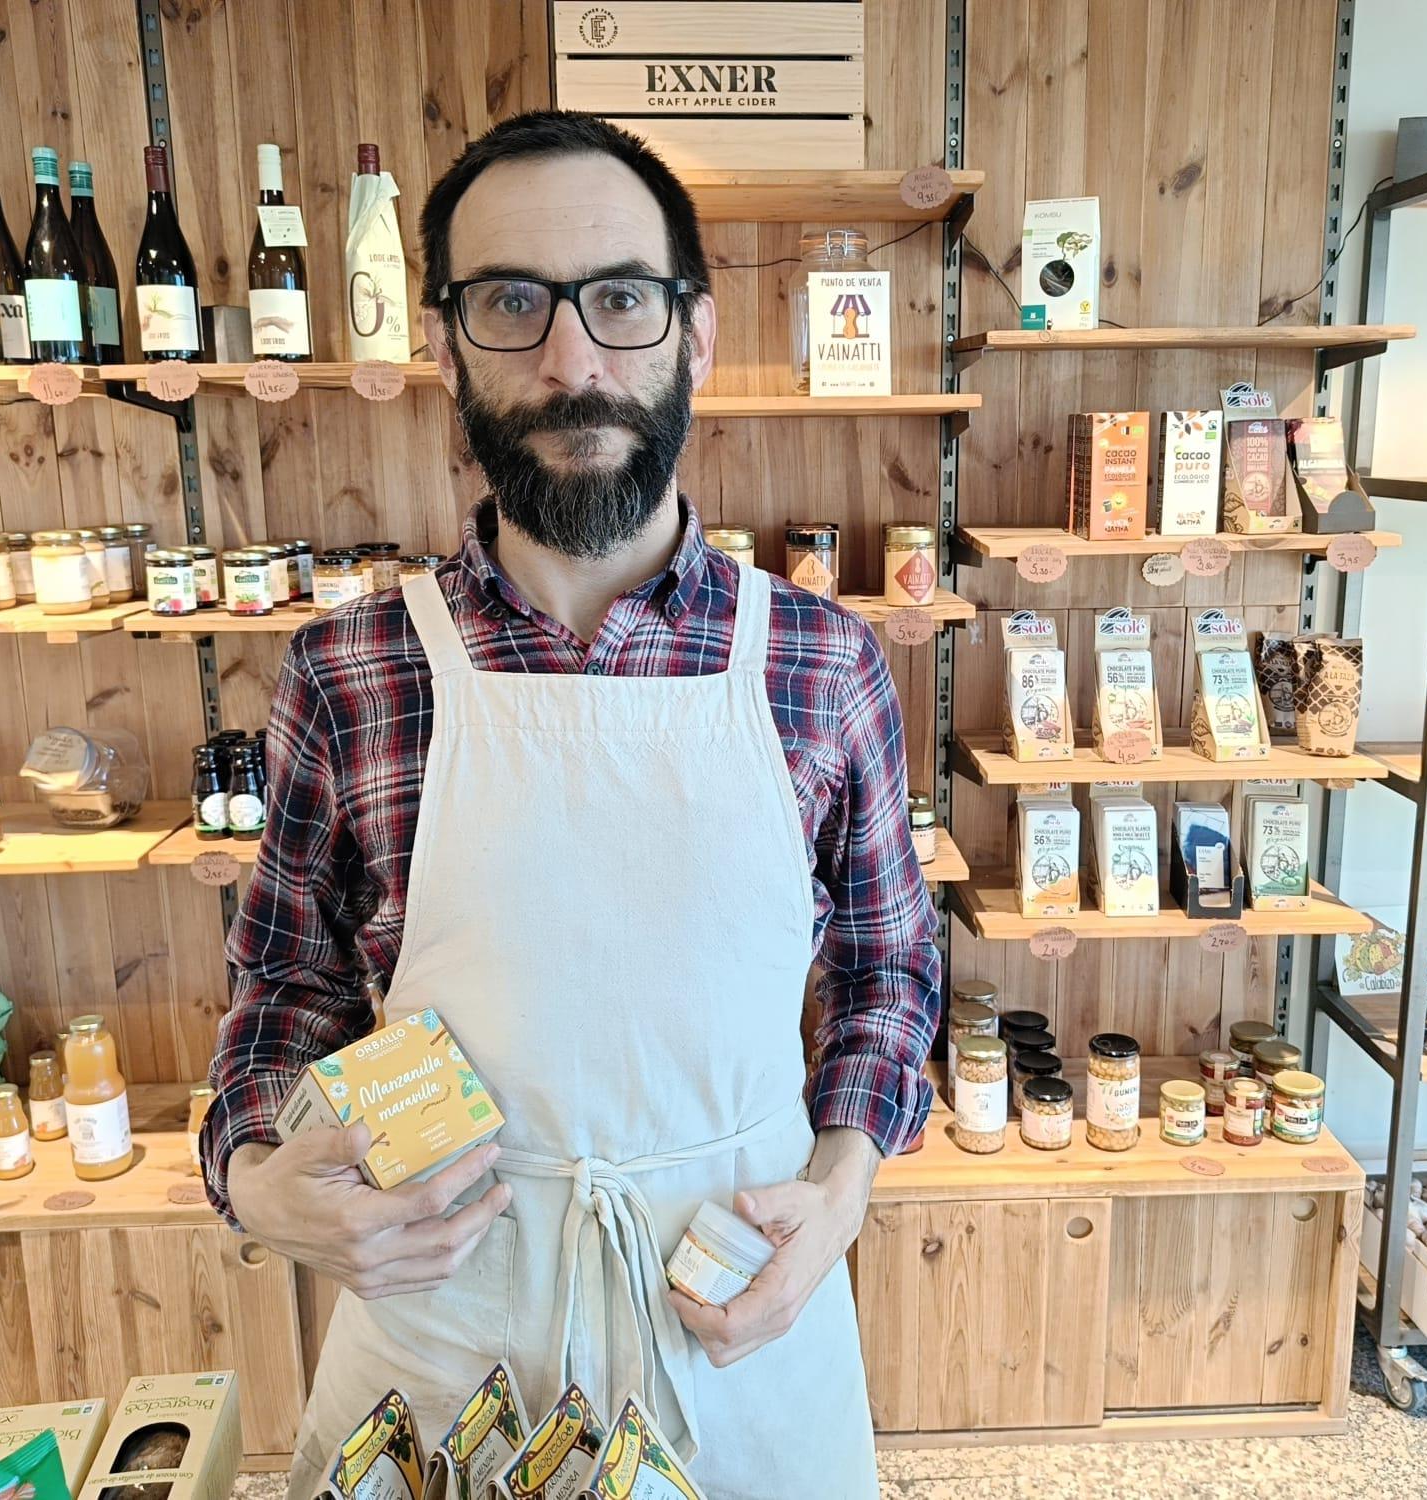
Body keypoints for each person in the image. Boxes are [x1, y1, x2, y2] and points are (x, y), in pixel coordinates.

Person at [202, 110, 939, 1499]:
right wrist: (253, 1176)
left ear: (694, 335)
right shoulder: (351, 669)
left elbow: (890, 974)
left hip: (739, 1319)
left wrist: (842, 1191)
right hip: (439, 1336)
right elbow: (283, 989)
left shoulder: (823, 664)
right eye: (508, 303)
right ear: (443, 347)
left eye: (620, 298)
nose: (570, 359)